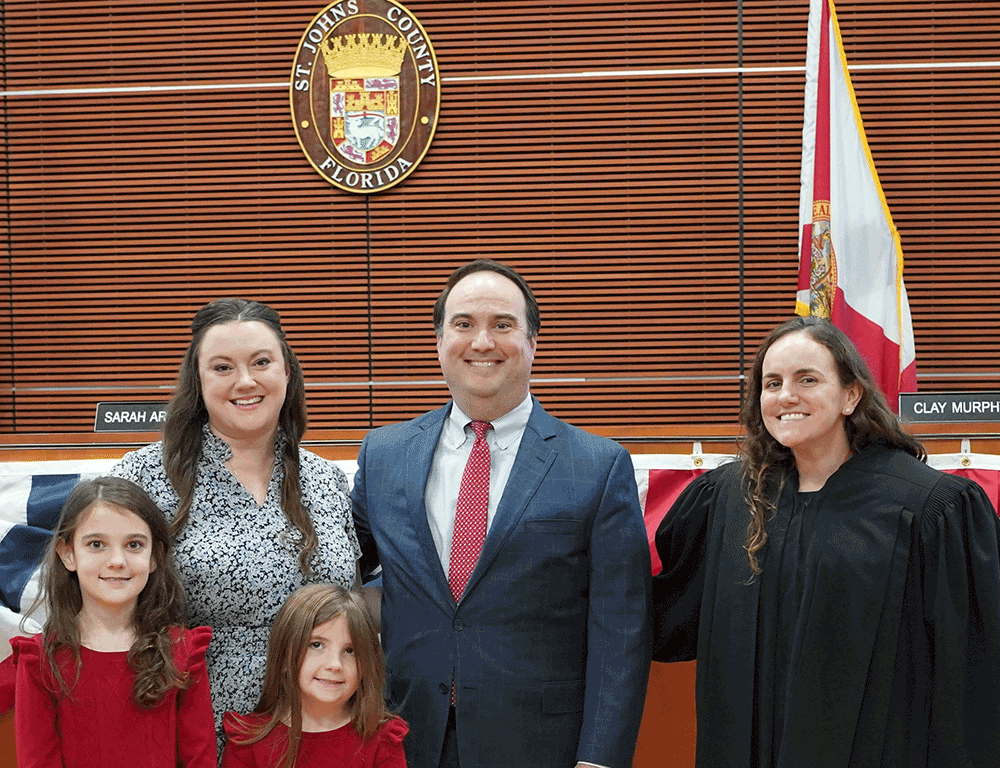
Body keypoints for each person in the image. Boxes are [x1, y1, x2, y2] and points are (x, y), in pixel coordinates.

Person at [652, 316, 1000, 768]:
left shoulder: (930, 509)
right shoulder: (729, 498)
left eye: (808, 379)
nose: (786, 396)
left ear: (851, 395)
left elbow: (971, 682)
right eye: (772, 383)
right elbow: (667, 619)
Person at [352, 259, 651, 768]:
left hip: (541, 745)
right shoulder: (383, 454)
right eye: (463, 324)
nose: (482, 342)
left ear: (533, 342)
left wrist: (599, 758)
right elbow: (342, 570)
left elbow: (621, 631)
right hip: (404, 736)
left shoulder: (598, 467)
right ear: (439, 342)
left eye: (503, 325)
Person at [110, 298, 360, 748]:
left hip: (322, 730)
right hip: (196, 732)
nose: (246, 381)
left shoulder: (326, 480)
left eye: (261, 362)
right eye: (222, 367)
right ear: (199, 381)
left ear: (287, 371)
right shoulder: (143, 477)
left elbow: (355, 603)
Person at [9, 476, 216, 767]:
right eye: (96, 544)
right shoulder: (41, 660)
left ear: (154, 556)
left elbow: (200, 759)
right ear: (68, 554)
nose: (117, 560)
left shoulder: (183, 650)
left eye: (134, 545)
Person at [222, 584, 408, 768]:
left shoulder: (383, 739)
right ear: (285, 656)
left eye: (350, 650)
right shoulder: (248, 739)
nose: (335, 664)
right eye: (316, 645)